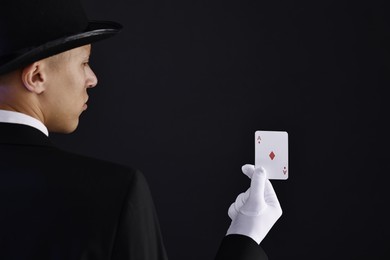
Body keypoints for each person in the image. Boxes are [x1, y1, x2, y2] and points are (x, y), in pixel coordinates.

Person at [0, 0, 282, 259]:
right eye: (84, 62)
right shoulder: (113, 192)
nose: (92, 79)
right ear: (36, 76)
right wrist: (245, 236)